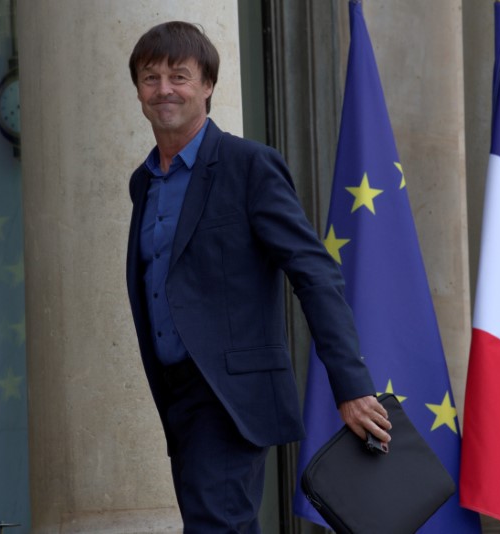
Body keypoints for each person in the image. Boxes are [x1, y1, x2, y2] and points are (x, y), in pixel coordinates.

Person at [125, 20, 391, 533]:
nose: (164, 90)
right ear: (137, 90)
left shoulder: (249, 165)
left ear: (207, 86)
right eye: (150, 78)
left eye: (179, 76)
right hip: (177, 394)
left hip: (229, 394)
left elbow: (314, 272)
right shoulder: (144, 183)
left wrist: (352, 385)